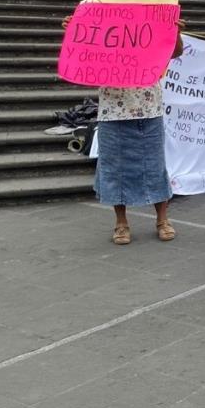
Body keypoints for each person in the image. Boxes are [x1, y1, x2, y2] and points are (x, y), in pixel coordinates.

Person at [61, 12, 185, 245]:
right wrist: (75, 31)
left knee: (155, 166)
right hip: (113, 114)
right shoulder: (104, 41)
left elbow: (176, 51)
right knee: (114, 169)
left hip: (149, 111)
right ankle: (121, 223)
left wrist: (175, 30)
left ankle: (162, 220)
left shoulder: (151, 39)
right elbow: (80, 56)